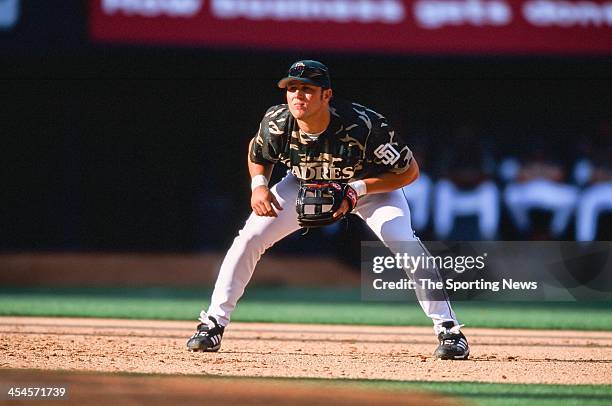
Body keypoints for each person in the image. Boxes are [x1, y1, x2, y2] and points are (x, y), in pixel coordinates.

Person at [186, 60, 470, 360]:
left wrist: (357, 190)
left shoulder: (364, 125)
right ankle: (213, 324)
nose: (297, 95)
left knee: (405, 244)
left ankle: (449, 330)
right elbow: (257, 152)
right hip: (304, 182)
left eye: (307, 89)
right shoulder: (277, 122)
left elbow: (409, 172)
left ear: (326, 95)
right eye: (292, 88)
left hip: (367, 186)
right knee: (249, 238)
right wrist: (259, 185)